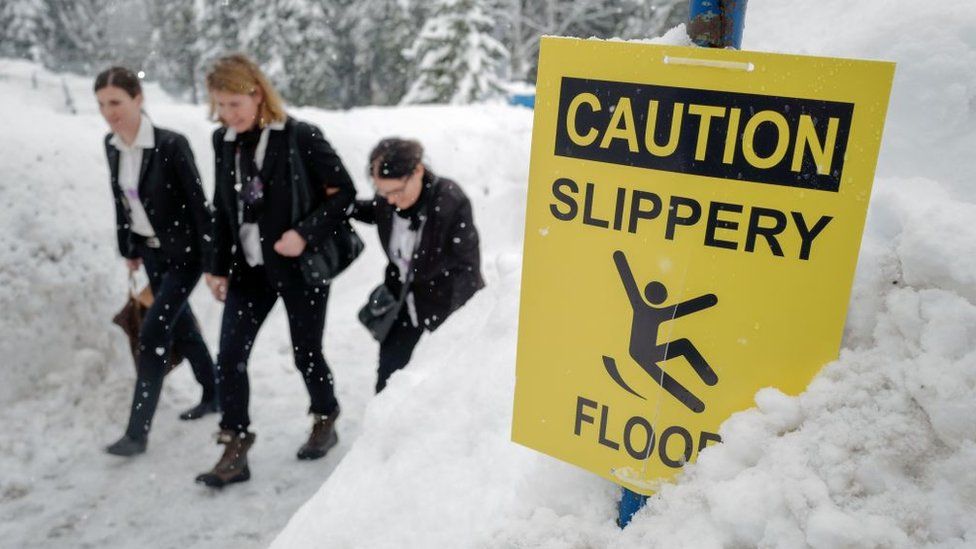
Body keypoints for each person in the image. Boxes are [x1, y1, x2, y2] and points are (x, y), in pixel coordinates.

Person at [196, 54, 355, 488]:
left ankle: (325, 415)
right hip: (248, 269)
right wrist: (216, 267)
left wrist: (304, 233)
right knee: (229, 358)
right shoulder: (222, 141)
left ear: (257, 93)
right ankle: (235, 446)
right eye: (220, 106)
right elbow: (222, 207)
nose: (228, 115)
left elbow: (345, 194)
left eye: (235, 104)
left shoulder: (300, 136)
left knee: (306, 354)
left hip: (299, 269)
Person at [95, 66, 218, 457]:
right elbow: (122, 202)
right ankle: (213, 392)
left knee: (153, 331)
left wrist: (213, 260)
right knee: (181, 324)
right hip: (149, 252)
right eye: (101, 104)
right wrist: (128, 249)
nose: (108, 111)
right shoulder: (112, 145)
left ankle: (137, 432)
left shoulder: (170, 144)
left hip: (185, 256)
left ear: (138, 99)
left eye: (115, 102)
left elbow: (200, 206)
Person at [352, 138, 485, 392]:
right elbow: (374, 211)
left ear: (418, 171)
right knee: (388, 379)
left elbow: (467, 267)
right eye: (383, 192)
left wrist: (460, 326)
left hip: (446, 300)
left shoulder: (449, 202)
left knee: (447, 380)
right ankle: (384, 425)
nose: (390, 200)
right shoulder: (389, 201)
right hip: (403, 298)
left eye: (397, 192)